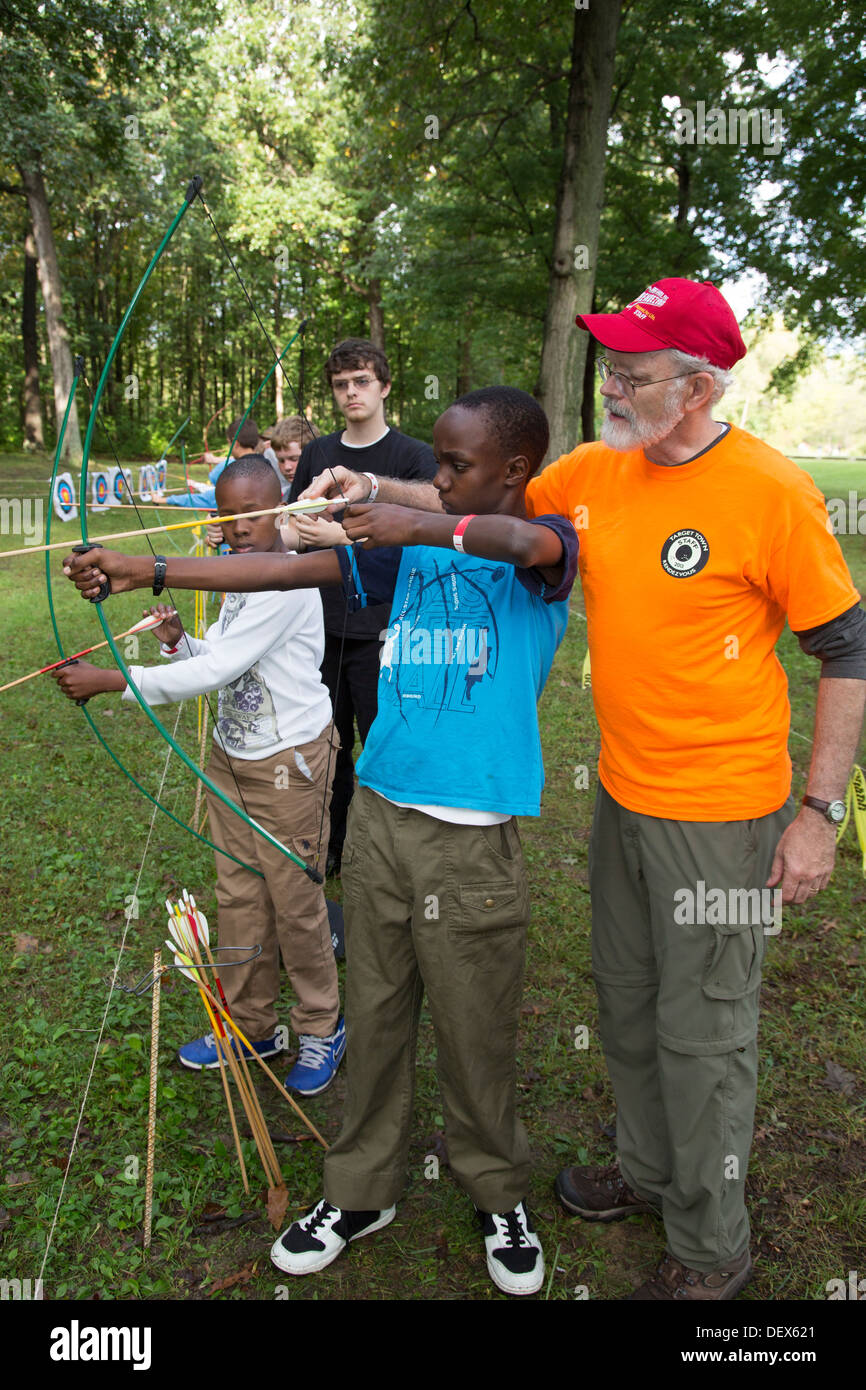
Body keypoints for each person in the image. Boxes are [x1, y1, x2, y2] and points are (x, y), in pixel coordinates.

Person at [62, 386, 579, 1297]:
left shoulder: (544, 548)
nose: (440, 478)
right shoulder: (399, 554)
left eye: (457, 467)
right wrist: (150, 571)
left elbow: (525, 542)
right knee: (375, 1015)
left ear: (514, 471)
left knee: (473, 1027)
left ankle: (497, 1192)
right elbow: (277, 574)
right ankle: (360, 1187)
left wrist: (404, 511)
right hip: (378, 816)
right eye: (439, 463)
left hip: (472, 840)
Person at [523, 278, 866, 1300]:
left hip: (721, 815)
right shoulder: (596, 470)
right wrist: (367, 498)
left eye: (634, 373)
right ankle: (645, 1168)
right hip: (622, 796)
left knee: (703, 1030)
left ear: (700, 387)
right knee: (626, 1006)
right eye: (611, 368)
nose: (612, 388)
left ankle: (711, 1247)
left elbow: (843, 649)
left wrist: (818, 814)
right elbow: (489, 502)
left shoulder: (769, 491)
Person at [55, 456, 346, 1097]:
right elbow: (217, 656)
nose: (239, 529)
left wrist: (113, 681)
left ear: (280, 511)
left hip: (287, 767)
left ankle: (322, 1024)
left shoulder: (288, 579)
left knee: (296, 903)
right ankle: (253, 1025)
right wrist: (179, 641)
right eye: (228, 516)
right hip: (233, 758)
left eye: (252, 516)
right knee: (239, 894)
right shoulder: (235, 577)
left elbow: (216, 675)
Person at [290, 338, 438, 876]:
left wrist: (342, 537)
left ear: (384, 387)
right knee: (327, 743)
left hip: (386, 629)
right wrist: (290, 531)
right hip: (320, 625)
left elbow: (419, 542)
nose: (351, 392)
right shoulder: (316, 454)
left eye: (361, 382)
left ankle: (383, 851)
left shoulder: (413, 458)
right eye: (340, 384)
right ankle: (331, 842)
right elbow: (293, 523)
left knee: (381, 741)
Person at [157, 418, 261, 510]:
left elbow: (206, 499)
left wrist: (164, 500)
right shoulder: (266, 466)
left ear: (236, 444)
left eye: (229, 443)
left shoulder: (232, 471)